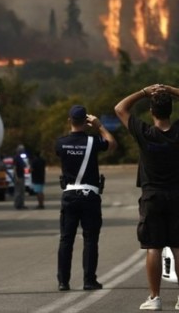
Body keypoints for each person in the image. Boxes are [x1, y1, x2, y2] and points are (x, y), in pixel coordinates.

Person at [114, 84, 179, 312]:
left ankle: (155, 298)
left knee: (153, 247)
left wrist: (144, 92)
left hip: (152, 195)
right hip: (177, 195)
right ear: (171, 111)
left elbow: (120, 108)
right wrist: (171, 90)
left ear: (152, 112)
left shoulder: (144, 132)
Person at [55, 105, 117, 292]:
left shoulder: (60, 142)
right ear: (86, 122)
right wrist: (100, 126)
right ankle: (89, 280)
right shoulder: (93, 141)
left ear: (69, 121)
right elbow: (112, 144)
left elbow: (62, 154)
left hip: (70, 195)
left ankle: (63, 282)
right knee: (90, 239)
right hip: (89, 195)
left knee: (66, 240)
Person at [13, 144, 27, 210]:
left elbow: (24, 165)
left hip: (22, 176)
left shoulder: (20, 158)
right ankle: (17, 205)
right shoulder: (16, 158)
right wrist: (16, 177)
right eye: (21, 150)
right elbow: (14, 168)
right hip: (19, 177)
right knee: (18, 192)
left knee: (22, 191)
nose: (22, 151)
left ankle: (22, 204)